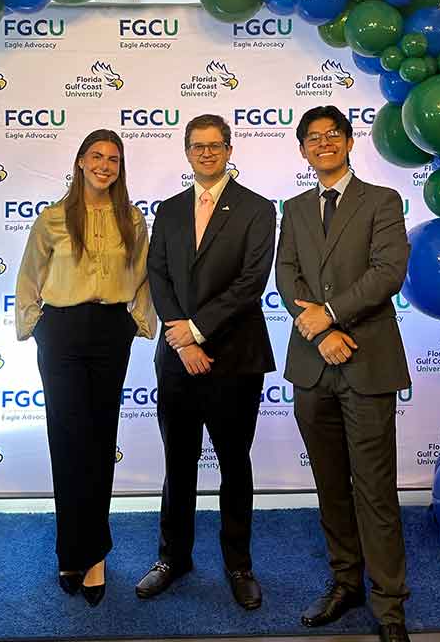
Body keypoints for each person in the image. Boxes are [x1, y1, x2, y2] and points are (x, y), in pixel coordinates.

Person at [276, 105, 411, 642]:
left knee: (374, 489)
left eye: (332, 134)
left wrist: (331, 315)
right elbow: (287, 275)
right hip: (313, 366)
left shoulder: (382, 201)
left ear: (350, 141)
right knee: (330, 485)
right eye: (312, 138)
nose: (323, 143)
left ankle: (390, 605)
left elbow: (388, 272)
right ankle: (345, 582)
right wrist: (319, 333)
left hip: (367, 362)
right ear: (302, 150)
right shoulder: (295, 208)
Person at [135, 114, 275, 610]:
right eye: (198, 146)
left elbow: (251, 282)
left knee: (235, 464)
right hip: (177, 358)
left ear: (230, 150)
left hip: (235, 358)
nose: (207, 153)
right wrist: (182, 338)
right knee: (178, 463)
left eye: (216, 145)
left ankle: (239, 565)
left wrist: (196, 331)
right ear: (187, 151)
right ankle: (173, 558)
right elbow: (157, 275)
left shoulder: (257, 209)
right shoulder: (170, 210)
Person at [15, 129, 156, 607]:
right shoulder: (53, 218)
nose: (104, 165)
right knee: (68, 442)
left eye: (113, 159)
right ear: (80, 161)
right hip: (62, 334)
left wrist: (135, 323)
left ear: (120, 167)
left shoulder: (132, 219)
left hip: (110, 331)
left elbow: (145, 277)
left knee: (99, 441)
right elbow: (29, 276)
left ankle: (94, 556)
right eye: (96, 156)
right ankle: (70, 552)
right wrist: (37, 325)